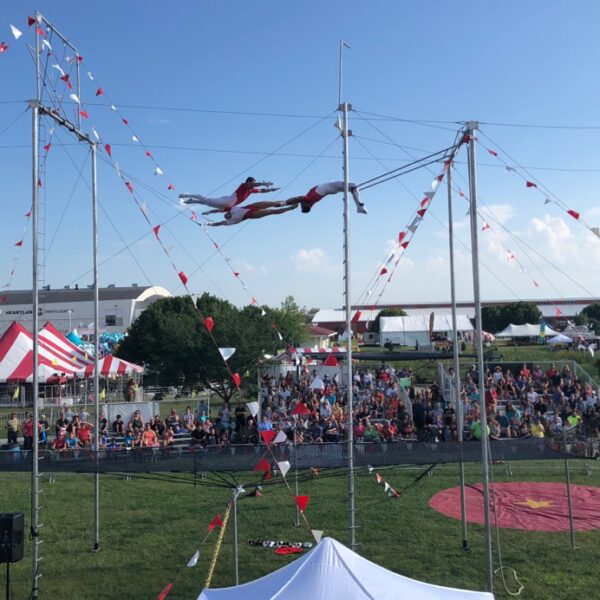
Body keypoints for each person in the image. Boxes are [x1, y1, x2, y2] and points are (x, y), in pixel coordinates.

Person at [179, 177, 278, 211]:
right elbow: (255, 184)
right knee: (207, 199)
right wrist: (263, 183)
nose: (253, 185)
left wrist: (271, 190)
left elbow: (261, 191)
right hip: (227, 201)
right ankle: (187, 195)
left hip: (228, 204)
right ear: (248, 182)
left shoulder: (251, 190)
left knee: (208, 204)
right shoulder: (243, 185)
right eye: (251, 183)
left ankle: (192, 201)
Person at [284, 181, 367, 214]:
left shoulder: (309, 202)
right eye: (302, 205)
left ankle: (355, 202)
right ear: (307, 205)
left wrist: (289, 204)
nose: (301, 204)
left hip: (332, 190)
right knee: (354, 186)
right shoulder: (307, 199)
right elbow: (295, 198)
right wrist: (284, 203)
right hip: (332, 186)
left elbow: (295, 200)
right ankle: (359, 207)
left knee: (353, 188)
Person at [205, 200, 296, 226]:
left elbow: (218, 210)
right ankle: (290, 208)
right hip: (253, 214)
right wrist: (210, 224)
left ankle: (288, 202)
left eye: (226, 215)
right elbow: (219, 223)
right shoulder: (231, 221)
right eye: (227, 217)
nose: (227, 215)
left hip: (253, 206)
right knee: (271, 211)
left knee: (271, 203)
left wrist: (209, 212)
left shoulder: (231, 209)